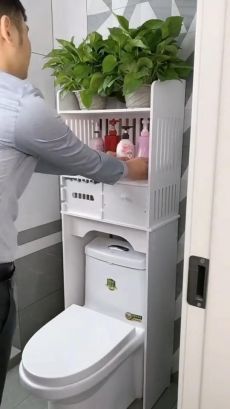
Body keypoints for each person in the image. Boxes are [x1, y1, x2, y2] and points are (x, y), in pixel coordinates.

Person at [0, 0, 148, 403]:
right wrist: (136, 169)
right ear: (7, 31)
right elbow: (85, 161)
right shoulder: (20, 108)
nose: (30, 43)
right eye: (27, 33)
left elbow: (41, 160)